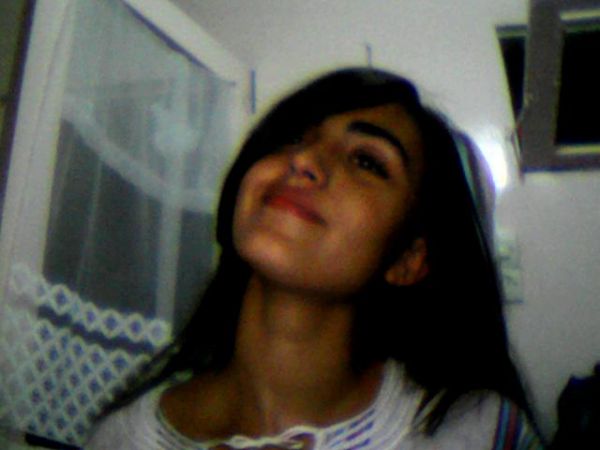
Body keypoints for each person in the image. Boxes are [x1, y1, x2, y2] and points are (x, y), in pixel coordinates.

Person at [86, 68, 544, 449]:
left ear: (408, 258)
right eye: (289, 138)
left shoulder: (478, 431)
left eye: (366, 161)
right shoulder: (120, 440)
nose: (303, 159)